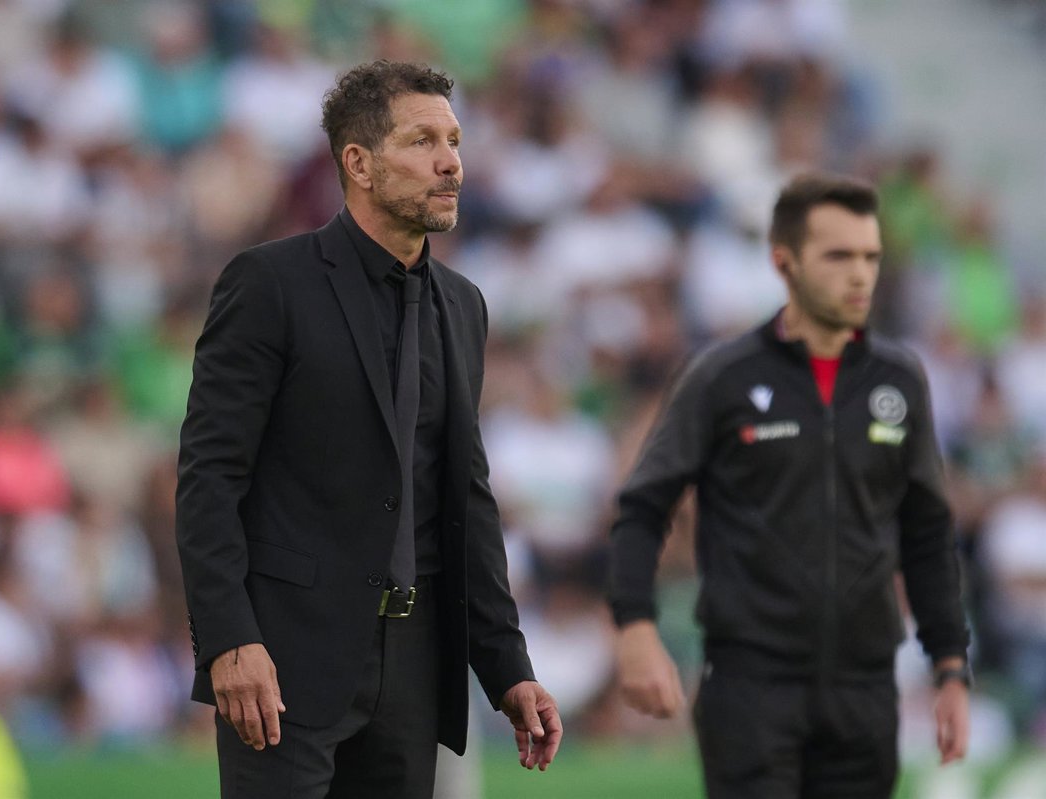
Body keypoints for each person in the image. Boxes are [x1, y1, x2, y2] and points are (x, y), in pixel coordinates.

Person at [176, 60, 562, 799]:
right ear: (358, 163)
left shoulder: (464, 306)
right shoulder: (270, 284)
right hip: (285, 659)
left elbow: (466, 497)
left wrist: (508, 667)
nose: (450, 162)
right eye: (423, 141)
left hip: (416, 669)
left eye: (454, 141)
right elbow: (209, 478)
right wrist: (229, 638)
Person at [609, 172, 970, 798]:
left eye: (870, 257)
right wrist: (635, 626)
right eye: (838, 256)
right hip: (751, 684)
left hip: (864, 686)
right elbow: (643, 507)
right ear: (785, 263)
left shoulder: (899, 380)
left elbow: (927, 533)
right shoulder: (722, 376)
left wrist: (951, 666)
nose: (860, 275)